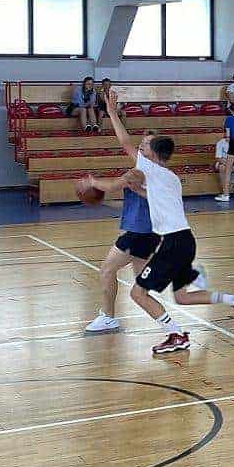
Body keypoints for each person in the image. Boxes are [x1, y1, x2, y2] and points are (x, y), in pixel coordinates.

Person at [89, 90, 234, 356]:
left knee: (138, 294)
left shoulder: (149, 170)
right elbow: (153, 197)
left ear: (153, 156)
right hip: (185, 240)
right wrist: (137, 190)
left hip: (173, 243)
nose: (139, 150)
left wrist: (111, 114)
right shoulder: (170, 178)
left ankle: (176, 335)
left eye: (144, 148)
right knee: (182, 296)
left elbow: (124, 142)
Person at [83, 132, 163, 333]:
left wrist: (92, 183)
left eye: (146, 144)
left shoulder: (140, 173)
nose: (141, 146)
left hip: (138, 234)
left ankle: (108, 317)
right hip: (147, 234)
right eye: (141, 142)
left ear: (155, 150)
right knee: (141, 291)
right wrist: (105, 203)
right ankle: (171, 327)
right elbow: (133, 204)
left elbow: (111, 186)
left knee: (107, 270)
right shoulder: (153, 171)